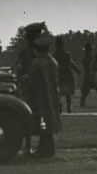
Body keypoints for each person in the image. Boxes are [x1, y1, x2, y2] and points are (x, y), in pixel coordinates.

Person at [26, 34, 61, 158]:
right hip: (52, 96)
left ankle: (46, 150)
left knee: (43, 121)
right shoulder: (53, 61)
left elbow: (31, 81)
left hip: (40, 97)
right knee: (48, 122)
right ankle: (46, 148)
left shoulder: (37, 62)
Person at [15, 22, 45, 155]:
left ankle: (28, 146)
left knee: (29, 116)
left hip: (27, 88)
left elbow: (17, 67)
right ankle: (34, 147)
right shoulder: (36, 52)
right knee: (37, 116)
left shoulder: (25, 52)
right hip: (35, 88)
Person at [52, 36, 80, 113]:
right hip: (67, 74)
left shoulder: (54, 55)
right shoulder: (66, 54)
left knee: (59, 93)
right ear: (63, 44)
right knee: (68, 94)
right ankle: (68, 108)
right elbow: (71, 63)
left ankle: (59, 106)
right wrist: (77, 70)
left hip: (59, 75)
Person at [79, 43, 94, 107]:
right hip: (88, 73)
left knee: (85, 89)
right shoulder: (89, 55)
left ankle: (82, 103)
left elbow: (83, 62)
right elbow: (84, 62)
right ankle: (82, 103)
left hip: (88, 73)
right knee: (85, 89)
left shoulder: (88, 55)